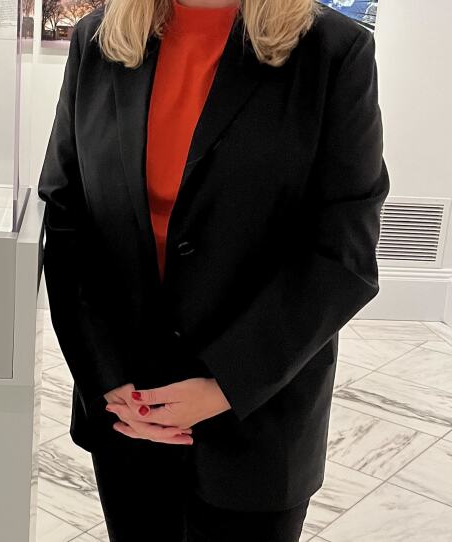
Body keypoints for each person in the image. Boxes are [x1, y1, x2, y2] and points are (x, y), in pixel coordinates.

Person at [37, 0, 389, 540]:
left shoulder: (333, 51)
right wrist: (105, 379)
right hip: (129, 407)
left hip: (258, 414)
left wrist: (225, 385)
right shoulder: (99, 40)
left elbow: (343, 253)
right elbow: (67, 217)